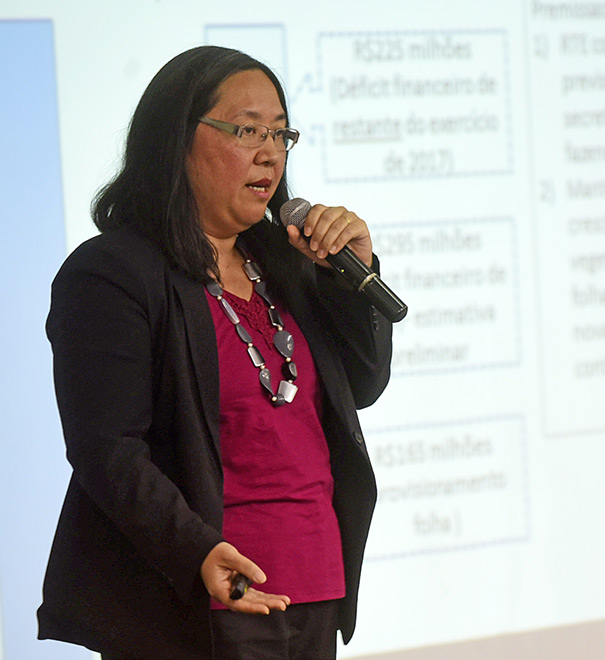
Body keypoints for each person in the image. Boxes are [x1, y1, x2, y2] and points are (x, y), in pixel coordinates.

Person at [37, 45, 392, 660]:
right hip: (196, 601)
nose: (270, 152)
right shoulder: (113, 274)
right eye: (247, 129)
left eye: (281, 134)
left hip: (314, 590)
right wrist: (194, 549)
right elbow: (107, 451)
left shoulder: (288, 264)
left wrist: (350, 277)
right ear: (177, 139)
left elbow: (361, 385)